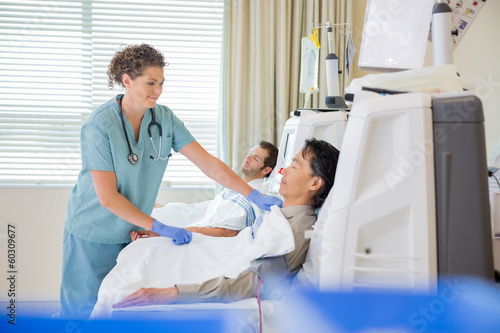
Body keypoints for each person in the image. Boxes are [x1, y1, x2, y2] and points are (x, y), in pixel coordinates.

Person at [59, 44, 282, 319]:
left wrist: (252, 195)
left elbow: (209, 164)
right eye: (150, 83)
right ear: (126, 80)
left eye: (161, 83)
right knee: (79, 313)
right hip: (92, 230)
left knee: (115, 308)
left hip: (130, 227)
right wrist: (159, 226)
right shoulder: (100, 125)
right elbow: (107, 197)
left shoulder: (164, 119)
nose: (158, 91)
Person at [112, 138, 339, 309]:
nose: (283, 171)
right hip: (217, 253)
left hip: (221, 267)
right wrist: (166, 234)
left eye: (295, 166)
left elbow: (252, 283)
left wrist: (174, 293)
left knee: (125, 284)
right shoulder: (280, 213)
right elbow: (237, 239)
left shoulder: (293, 232)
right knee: (142, 254)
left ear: (315, 183)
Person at [149, 141, 279, 238]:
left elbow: (230, 232)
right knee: (155, 212)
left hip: (203, 232)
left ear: (266, 170)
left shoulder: (257, 196)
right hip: (200, 220)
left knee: (150, 228)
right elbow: (211, 208)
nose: (248, 158)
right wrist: (171, 207)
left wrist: (191, 230)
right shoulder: (235, 185)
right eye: (250, 153)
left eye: (256, 158)